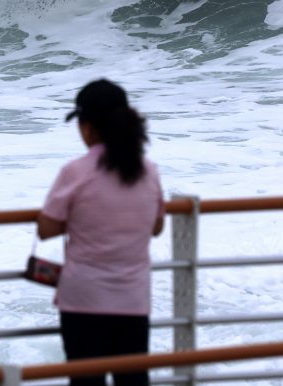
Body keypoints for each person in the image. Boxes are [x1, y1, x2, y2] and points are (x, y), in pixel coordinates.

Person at [37, 79, 165, 386]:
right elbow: (157, 226)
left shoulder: (76, 171)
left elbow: (46, 228)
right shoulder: (148, 170)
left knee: (86, 382)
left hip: (84, 300)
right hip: (133, 299)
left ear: (89, 127)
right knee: (132, 381)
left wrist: (81, 219)